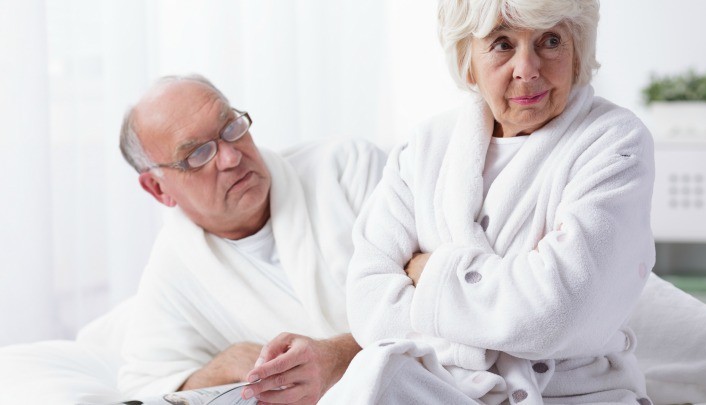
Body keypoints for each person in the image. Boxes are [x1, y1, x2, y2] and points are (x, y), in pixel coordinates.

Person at [324, 0, 657, 403]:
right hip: (444, 385)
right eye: (502, 44)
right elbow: (369, 307)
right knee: (376, 373)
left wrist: (431, 273)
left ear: (577, 50)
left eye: (551, 41)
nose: (527, 69)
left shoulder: (615, 141)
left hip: (573, 394)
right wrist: (485, 340)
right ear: (467, 61)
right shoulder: (424, 147)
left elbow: (557, 312)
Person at [116, 74, 385, 404]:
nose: (231, 157)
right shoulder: (175, 264)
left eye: (231, 127)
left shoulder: (347, 168)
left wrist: (338, 356)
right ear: (158, 188)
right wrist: (221, 367)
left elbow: (429, 295)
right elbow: (144, 385)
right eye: (198, 153)